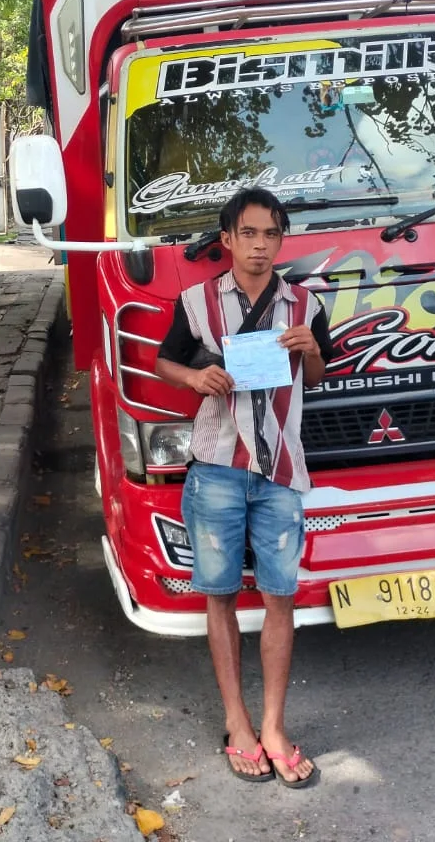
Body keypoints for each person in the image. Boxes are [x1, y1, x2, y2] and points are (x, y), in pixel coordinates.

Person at [154, 188, 334, 790]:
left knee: (281, 596)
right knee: (221, 596)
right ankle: (237, 723)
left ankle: (275, 727)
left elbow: (317, 376)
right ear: (226, 239)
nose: (260, 246)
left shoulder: (305, 303)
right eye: (249, 234)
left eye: (271, 235)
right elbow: (164, 361)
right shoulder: (196, 301)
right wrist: (194, 375)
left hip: (282, 471)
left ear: (282, 241)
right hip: (216, 469)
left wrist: (311, 351)